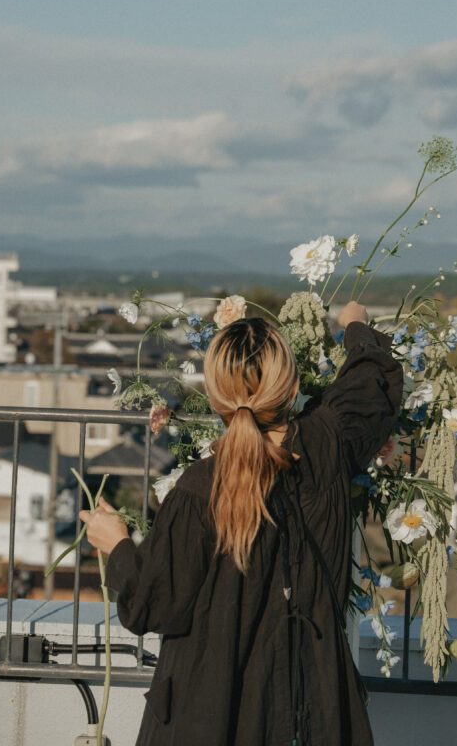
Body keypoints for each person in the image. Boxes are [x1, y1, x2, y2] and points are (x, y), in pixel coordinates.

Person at [80, 301, 403, 746]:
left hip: (208, 717)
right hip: (312, 710)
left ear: (214, 398)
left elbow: (152, 606)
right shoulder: (327, 444)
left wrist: (116, 545)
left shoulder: (199, 488)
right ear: (291, 390)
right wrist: (356, 328)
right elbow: (372, 387)